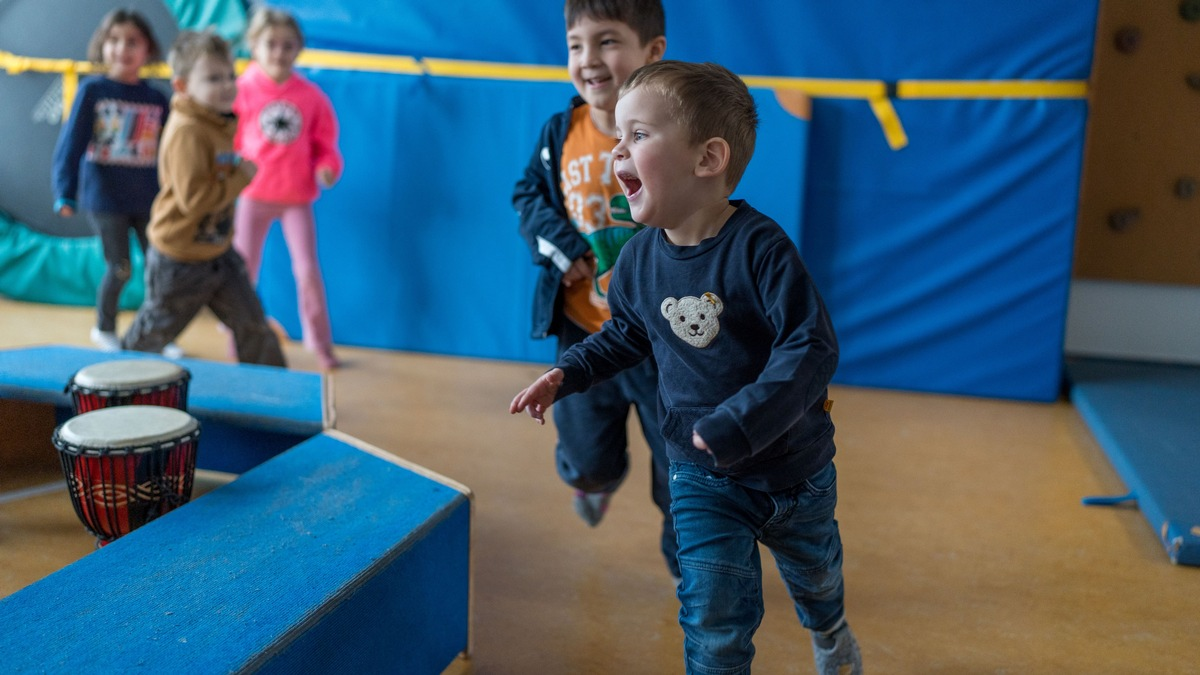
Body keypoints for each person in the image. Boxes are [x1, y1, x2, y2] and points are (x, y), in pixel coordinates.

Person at [511, 61, 863, 675]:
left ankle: (830, 632)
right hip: (700, 476)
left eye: (638, 137)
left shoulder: (761, 250)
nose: (617, 153)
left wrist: (743, 422)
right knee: (714, 624)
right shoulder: (641, 257)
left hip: (793, 472)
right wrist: (567, 374)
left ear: (708, 160)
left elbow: (809, 348)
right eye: (617, 138)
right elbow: (625, 334)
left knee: (817, 579)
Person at [512, 0, 678, 580]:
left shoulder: (676, 136)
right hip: (586, 338)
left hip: (664, 349)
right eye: (577, 45)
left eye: (608, 41)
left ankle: (693, 572)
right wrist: (564, 248)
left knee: (681, 472)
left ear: (652, 53)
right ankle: (594, 482)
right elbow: (528, 197)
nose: (589, 59)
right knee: (586, 461)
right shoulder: (561, 133)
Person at [120, 30, 286, 368]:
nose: (226, 85)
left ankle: (273, 398)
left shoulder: (217, 121)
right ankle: (114, 386)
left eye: (229, 75)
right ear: (182, 86)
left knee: (253, 325)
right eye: (213, 78)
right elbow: (194, 200)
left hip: (218, 252)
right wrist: (241, 178)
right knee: (152, 334)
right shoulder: (187, 131)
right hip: (180, 258)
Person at [51, 9, 180, 358]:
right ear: (103, 46)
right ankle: (105, 327)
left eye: (132, 42)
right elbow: (71, 144)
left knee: (160, 266)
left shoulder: (156, 99)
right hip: (105, 200)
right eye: (114, 40)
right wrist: (64, 190)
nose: (122, 48)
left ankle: (159, 330)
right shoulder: (93, 90)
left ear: (147, 49)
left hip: (148, 199)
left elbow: (172, 151)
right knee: (119, 267)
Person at [231, 6, 343, 370]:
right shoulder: (241, 89)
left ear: (298, 49)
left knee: (307, 271)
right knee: (242, 273)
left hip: (296, 199)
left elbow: (326, 144)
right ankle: (240, 340)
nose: (279, 52)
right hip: (253, 196)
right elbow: (225, 136)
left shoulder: (311, 97)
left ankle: (320, 344)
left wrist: (327, 167)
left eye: (287, 45)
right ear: (253, 45)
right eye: (271, 44)